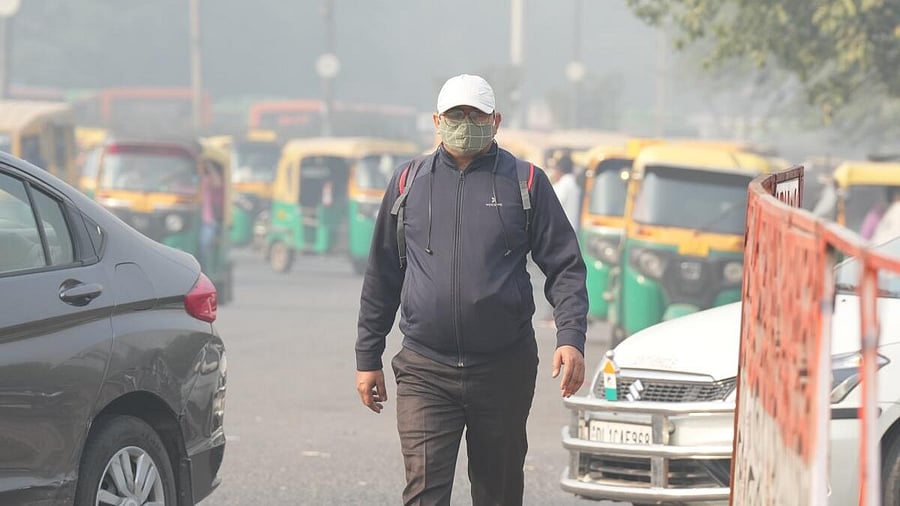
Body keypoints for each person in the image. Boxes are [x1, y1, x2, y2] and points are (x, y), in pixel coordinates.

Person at [355, 74, 588, 506]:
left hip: (503, 370)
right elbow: (382, 275)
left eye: (475, 114)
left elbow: (565, 266)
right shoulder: (408, 184)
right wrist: (368, 357)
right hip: (426, 368)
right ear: (436, 121)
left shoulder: (526, 183)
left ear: (495, 121)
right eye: (455, 115)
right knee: (423, 491)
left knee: (497, 493)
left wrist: (570, 337)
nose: (465, 123)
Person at [199, 161, 224, 269]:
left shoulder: (206, 180)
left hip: (207, 220)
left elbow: (217, 183)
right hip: (193, 221)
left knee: (204, 246)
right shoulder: (192, 180)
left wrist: (209, 167)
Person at [548, 150, 580, 233]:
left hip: (562, 231)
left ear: (559, 169)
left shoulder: (564, 184)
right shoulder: (573, 183)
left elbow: (551, 204)